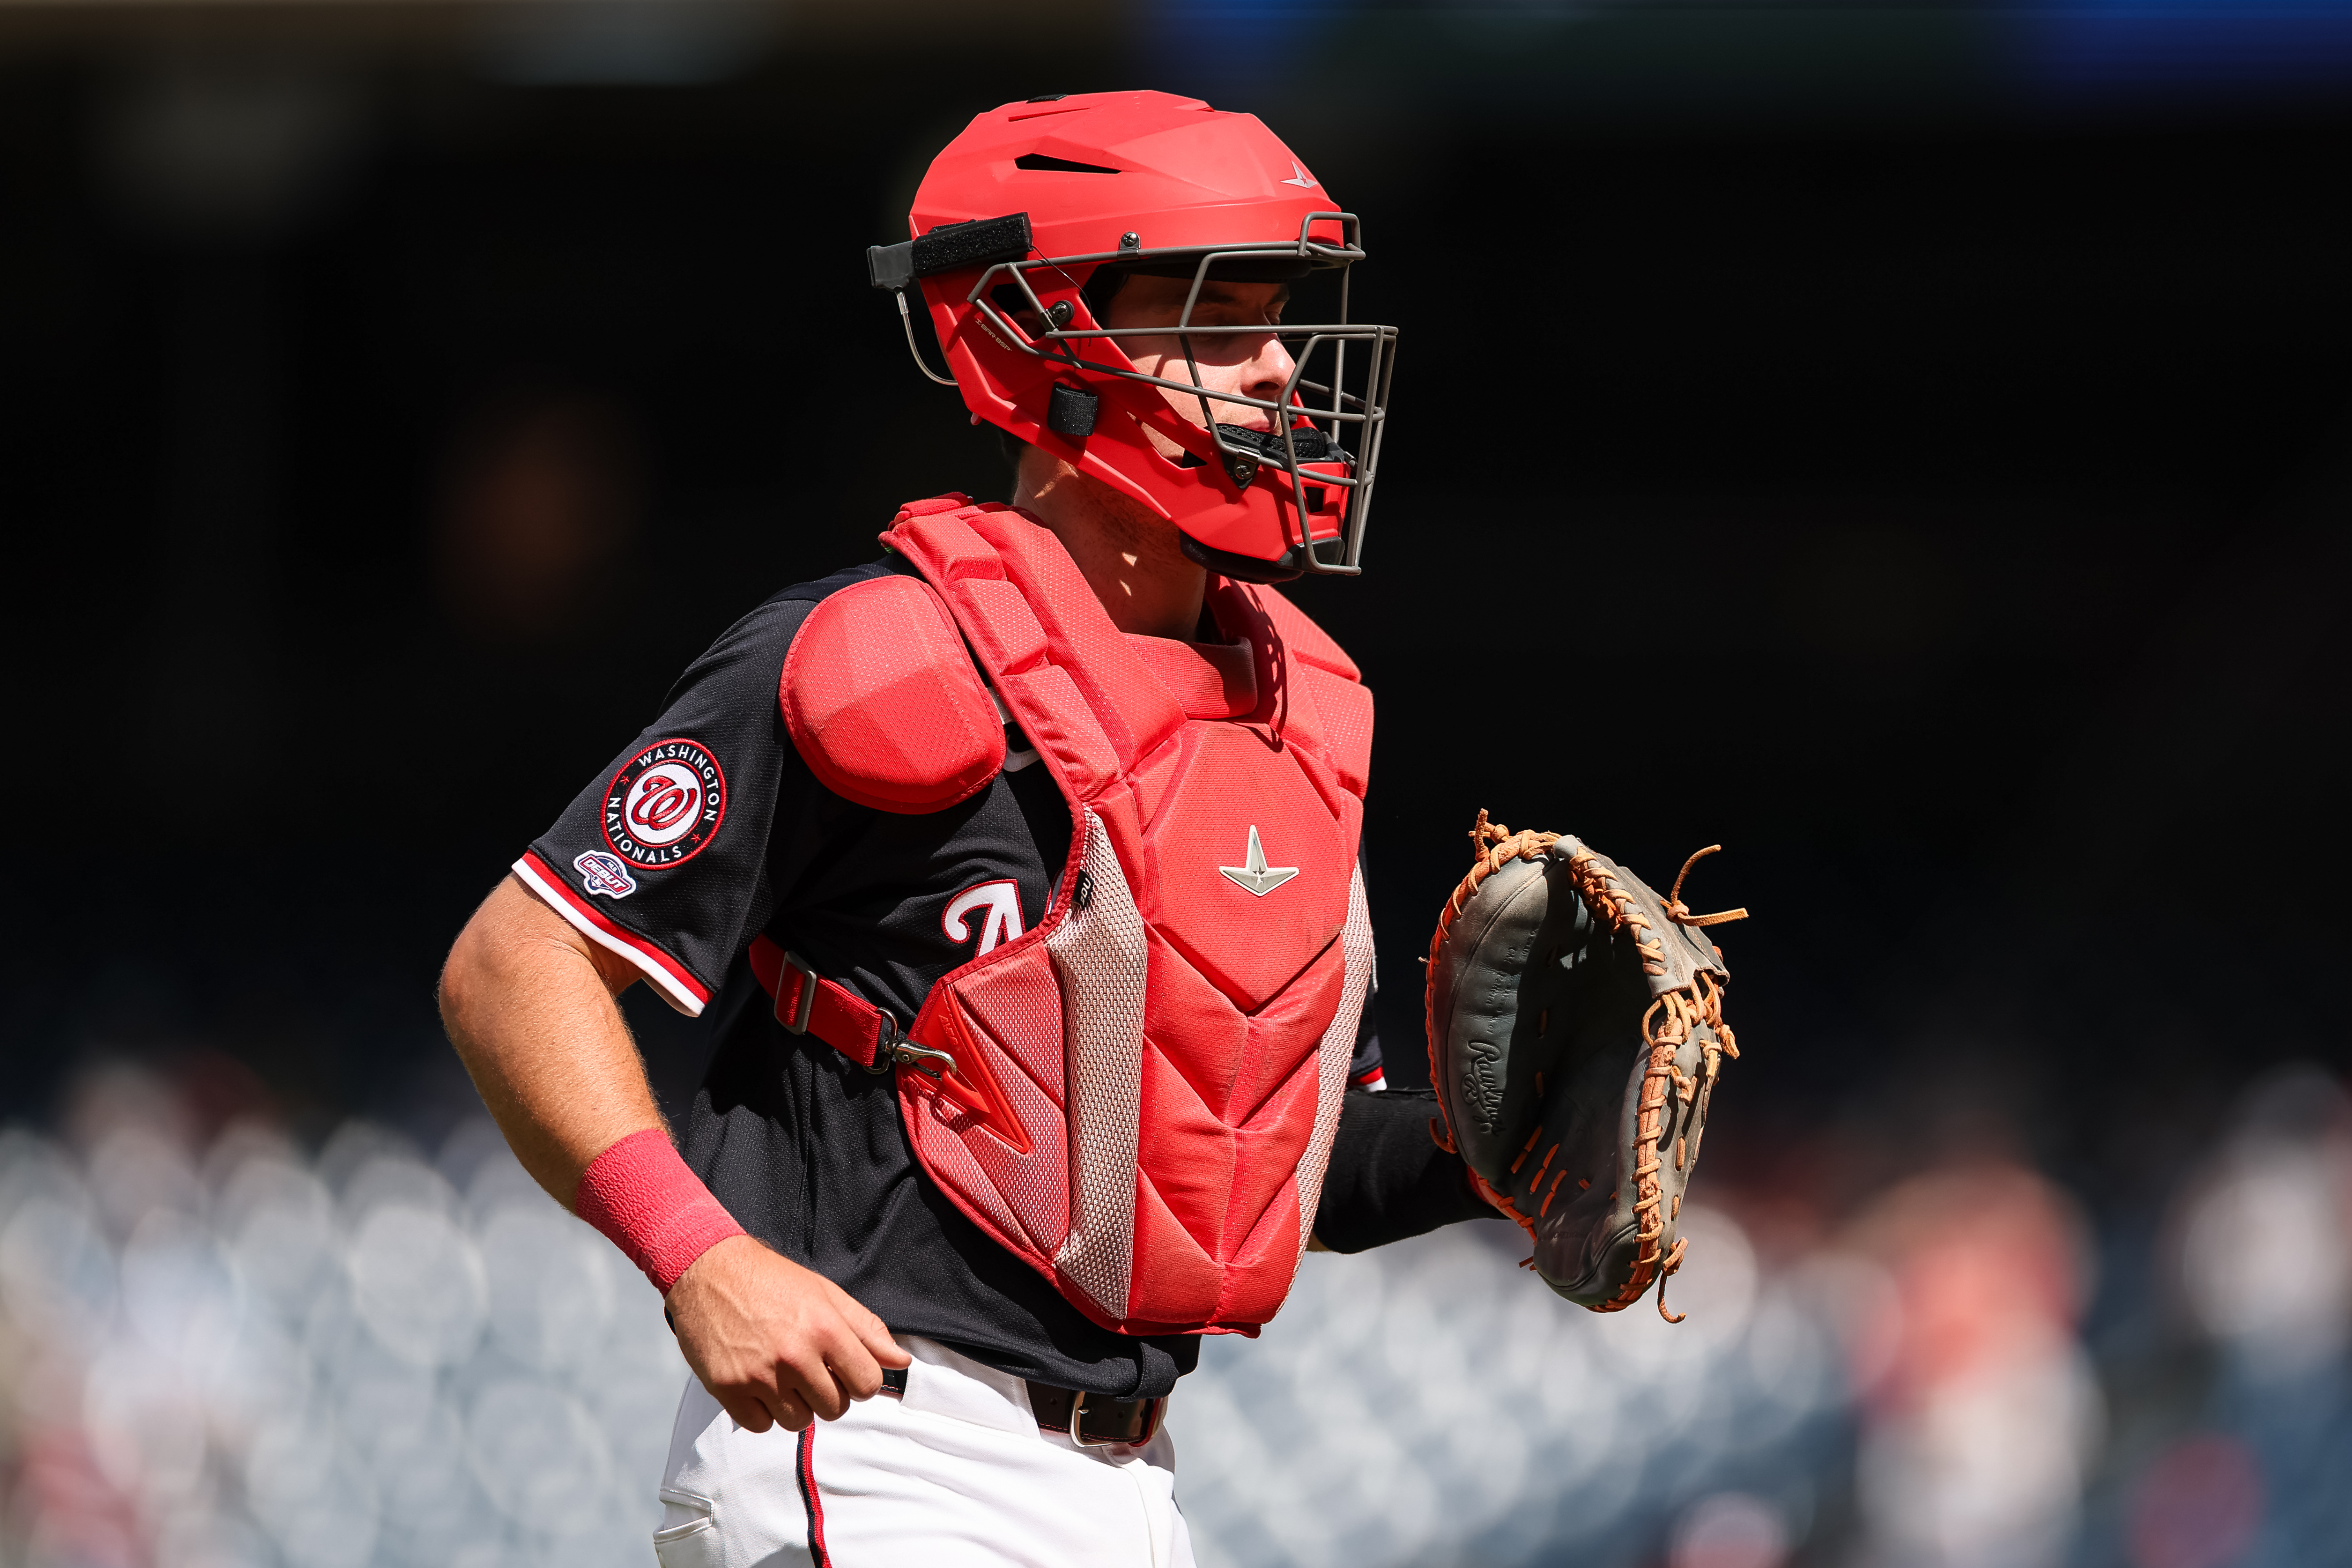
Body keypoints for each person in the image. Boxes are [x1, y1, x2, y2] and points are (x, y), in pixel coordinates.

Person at [439, 89, 1490, 1567]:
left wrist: (1494, 1154)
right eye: (1215, 320)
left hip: (1136, 1488)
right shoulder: (884, 662)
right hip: (885, 1453)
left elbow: (1267, 1165)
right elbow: (512, 968)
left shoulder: (1291, 715)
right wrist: (699, 1258)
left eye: (1278, 320)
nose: (1277, 367)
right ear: (1035, 346)